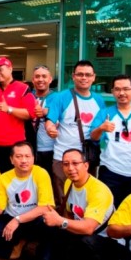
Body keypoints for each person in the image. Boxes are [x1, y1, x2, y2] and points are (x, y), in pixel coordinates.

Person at [42, 148, 118, 260]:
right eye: (66, 164)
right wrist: (60, 223)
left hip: (105, 241)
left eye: (75, 163)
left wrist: (60, 221)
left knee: (85, 241)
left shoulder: (98, 191)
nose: (70, 168)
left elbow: (89, 228)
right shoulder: (69, 182)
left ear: (86, 165)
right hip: (83, 231)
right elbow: (69, 213)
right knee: (51, 228)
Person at [43, 60, 105, 210]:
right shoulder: (62, 97)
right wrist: (50, 128)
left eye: (88, 75)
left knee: (84, 196)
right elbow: (50, 120)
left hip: (86, 158)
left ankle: (80, 226)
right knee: (62, 196)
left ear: (93, 77)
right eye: (80, 74)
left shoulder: (99, 100)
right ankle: (61, 227)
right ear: (73, 77)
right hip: (62, 157)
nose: (84, 78)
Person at [93, 74, 131, 206]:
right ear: (112, 92)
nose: (122, 93)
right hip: (111, 171)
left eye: (126, 89)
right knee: (109, 210)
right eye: (117, 89)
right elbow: (93, 137)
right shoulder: (105, 113)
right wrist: (101, 128)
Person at [30, 65, 55, 174]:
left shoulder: (57, 98)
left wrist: (46, 111)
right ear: (33, 80)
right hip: (29, 148)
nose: (40, 79)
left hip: (49, 149)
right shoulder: (28, 96)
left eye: (44, 76)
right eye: (37, 76)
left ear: (50, 79)